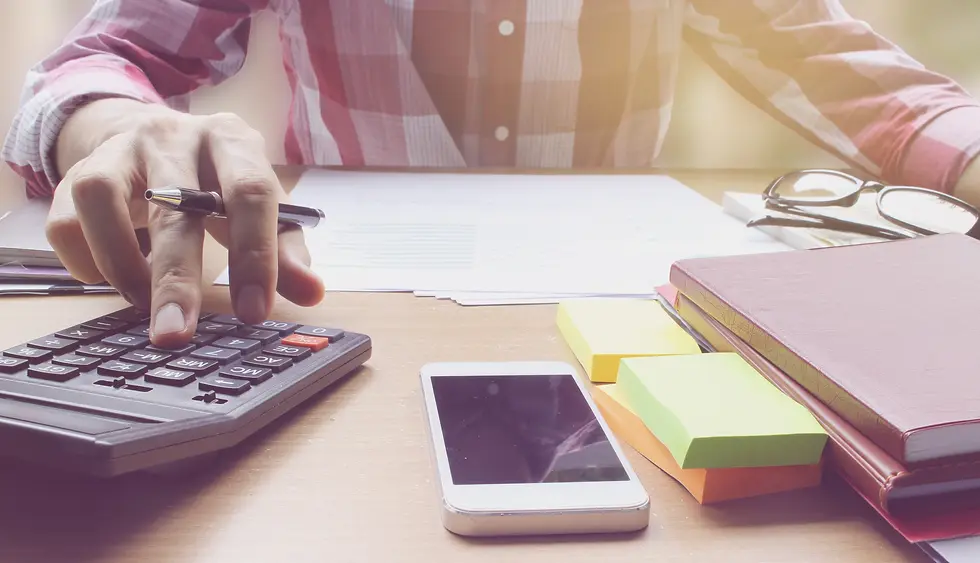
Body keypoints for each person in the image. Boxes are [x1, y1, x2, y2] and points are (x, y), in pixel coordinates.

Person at [4, 1, 980, 347]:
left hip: (622, 330)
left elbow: (881, 97)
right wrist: (120, 125)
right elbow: (92, 64)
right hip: (329, 324)